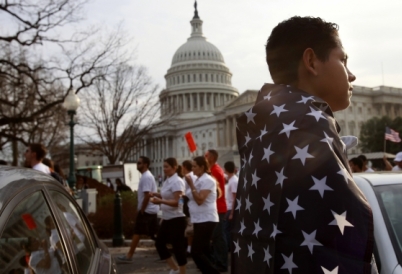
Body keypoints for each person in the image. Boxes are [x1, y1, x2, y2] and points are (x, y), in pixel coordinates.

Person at [232, 16, 376, 273]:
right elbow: (346, 240)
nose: (352, 75)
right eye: (343, 60)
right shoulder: (310, 125)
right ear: (311, 61)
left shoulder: (263, 131)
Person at [117, 156, 159, 262]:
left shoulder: (146, 177)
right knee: (154, 233)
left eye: (139, 163)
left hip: (147, 210)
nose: (137, 164)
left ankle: (129, 255)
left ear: (145, 164)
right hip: (150, 210)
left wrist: (142, 209)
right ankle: (165, 253)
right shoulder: (146, 176)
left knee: (137, 232)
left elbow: (147, 195)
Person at [150, 158, 187, 274]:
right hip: (167, 217)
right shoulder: (168, 180)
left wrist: (160, 202)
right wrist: (157, 195)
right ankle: (175, 268)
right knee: (159, 243)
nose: (164, 169)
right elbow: (166, 195)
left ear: (174, 168)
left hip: (177, 218)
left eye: (167, 167)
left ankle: (182, 271)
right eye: (164, 166)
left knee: (177, 246)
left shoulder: (177, 181)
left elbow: (179, 202)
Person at [184, 156, 219, 274]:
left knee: (196, 251)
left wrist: (191, 185)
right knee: (204, 250)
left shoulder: (208, 180)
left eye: (194, 166)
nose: (192, 169)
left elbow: (200, 200)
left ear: (202, 167)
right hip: (198, 219)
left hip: (207, 219)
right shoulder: (196, 179)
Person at [204, 149, 227, 272]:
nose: (204, 157)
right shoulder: (213, 170)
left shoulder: (216, 171)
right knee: (216, 236)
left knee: (218, 237)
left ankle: (222, 263)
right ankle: (216, 260)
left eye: (206, 155)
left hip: (218, 207)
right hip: (215, 207)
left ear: (211, 158)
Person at [182, 160, 196, 255]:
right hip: (194, 202)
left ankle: (189, 248)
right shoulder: (195, 176)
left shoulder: (187, 177)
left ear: (185, 167)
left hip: (188, 202)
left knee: (190, 226)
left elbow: (182, 193)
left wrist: (180, 203)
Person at [223, 161, 238, 251]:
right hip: (229, 208)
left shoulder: (233, 181)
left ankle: (229, 247)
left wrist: (232, 212)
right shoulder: (232, 180)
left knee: (226, 230)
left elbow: (235, 198)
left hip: (230, 208)